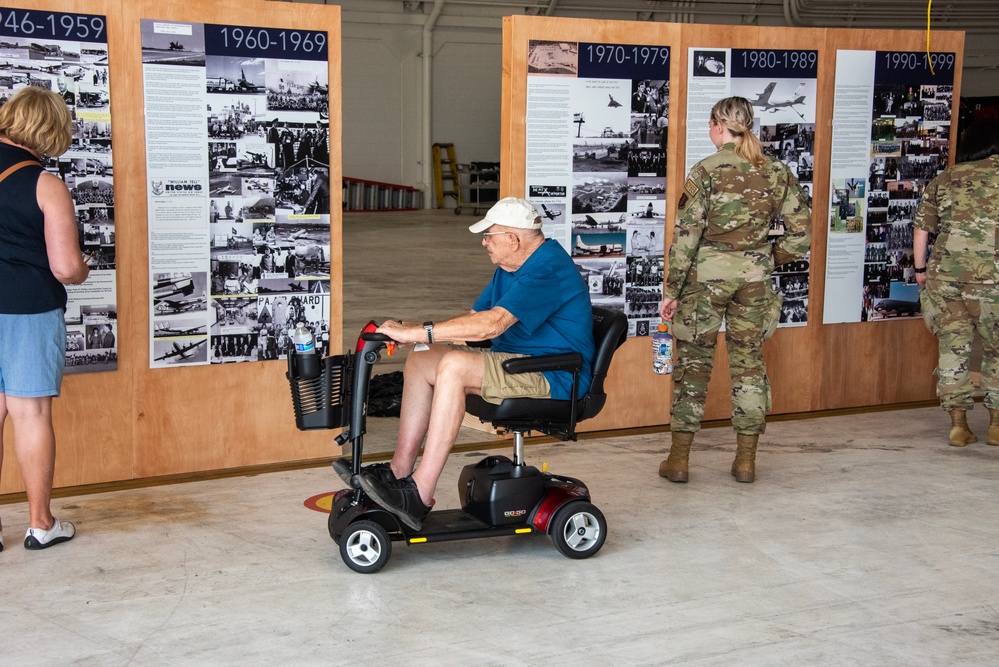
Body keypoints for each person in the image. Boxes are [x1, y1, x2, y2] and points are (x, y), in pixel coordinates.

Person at [341, 198, 595, 529]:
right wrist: (412, 336)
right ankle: (399, 471)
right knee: (422, 358)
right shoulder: (511, 266)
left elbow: (493, 325)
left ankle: (420, 493)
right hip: (517, 363)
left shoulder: (547, 267)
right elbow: (474, 322)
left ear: (513, 239)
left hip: (554, 372)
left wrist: (421, 331)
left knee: (454, 367)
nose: (484, 241)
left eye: (489, 235)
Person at [657, 97, 811, 484]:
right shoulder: (776, 170)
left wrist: (672, 290)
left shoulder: (706, 170)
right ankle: (745, 461)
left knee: (694, 368)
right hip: (754, 282)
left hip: (705, 282)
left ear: (717, 125)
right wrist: (766, 260)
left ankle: (678, 461)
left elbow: (686, 236)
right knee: (749, 367)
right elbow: (802, 234)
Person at [0, 86, 90, 552]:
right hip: (26, 307)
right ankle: (40, 524)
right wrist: (84, 266)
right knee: (29, 412)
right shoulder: (44, 184)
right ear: (51, 129)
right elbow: (65, 268)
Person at [912, 118, 999, 447]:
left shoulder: (946, 177)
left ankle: (958, 425)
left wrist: (920, 272)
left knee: (953, 349)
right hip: (993, 278)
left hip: (945, 278)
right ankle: (996, 426)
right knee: (997, 350)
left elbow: (922, 229)